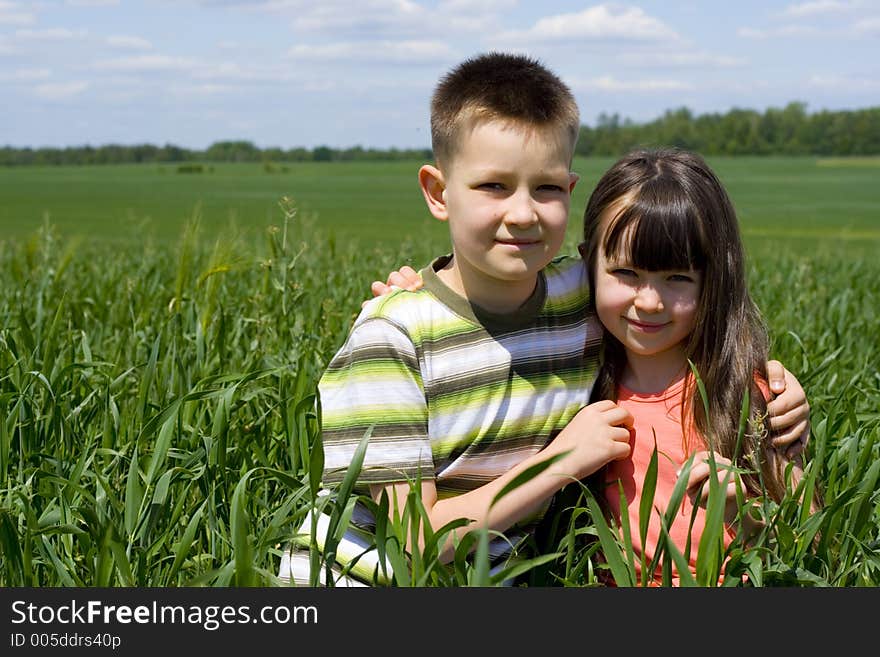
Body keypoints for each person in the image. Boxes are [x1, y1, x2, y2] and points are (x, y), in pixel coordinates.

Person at [279, 52, 809, 586]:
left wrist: (774, 390)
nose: (524, 213)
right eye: (493, 186)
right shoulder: (391, 340)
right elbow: (417, 543)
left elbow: (666, 285)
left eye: (547, 188)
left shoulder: (584, 296)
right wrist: (562, 460)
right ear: (439, 193)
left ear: (570, 191)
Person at [576, 147, 817, 585]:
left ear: (714, 278)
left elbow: (811, 542)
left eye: (678, 278)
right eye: (626, 274)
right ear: (587, 264)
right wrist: (411, 288)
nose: (648, 301)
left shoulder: (747, 396)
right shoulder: (576, 379)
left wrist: (742, 518)